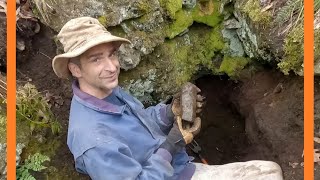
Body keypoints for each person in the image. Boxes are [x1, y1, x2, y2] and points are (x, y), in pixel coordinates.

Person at [52, 17, 284, 180]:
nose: (112, 66)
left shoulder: (107, 91)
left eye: (112, 54)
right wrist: (172, 145)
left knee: (270, 171)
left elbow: (141, 122)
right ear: (75, 69)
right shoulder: (93, 141)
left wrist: (169, 112)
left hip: (181, 168)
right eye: (96, 59)